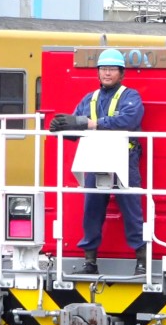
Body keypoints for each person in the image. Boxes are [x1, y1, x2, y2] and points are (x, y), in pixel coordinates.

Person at [49, 48, 146, 275]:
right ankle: (89, 262)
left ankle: (142, 261)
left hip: (124, 158)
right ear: (98, 72)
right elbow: (77, 129)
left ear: (121, 73)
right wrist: (63, 128)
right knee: (91, 209)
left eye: (112, 69)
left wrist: (91, 124)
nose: (107, 73)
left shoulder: (130, 96)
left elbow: (128, 120)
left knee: (132, 209)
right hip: (94, 158)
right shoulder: (88, 99)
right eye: (103, 69)